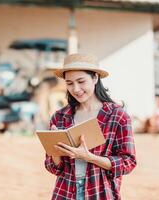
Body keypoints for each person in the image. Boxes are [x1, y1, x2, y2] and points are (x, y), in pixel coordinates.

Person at [44, 53, 137, 200]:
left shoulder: (117, 116)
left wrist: (89, 157)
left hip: (100, 193)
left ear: (95, 78)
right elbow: (54, 167)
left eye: (81, 81)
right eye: (69, 83)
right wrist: (55, 150)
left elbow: (128, 162)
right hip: (65, 192)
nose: (76, 89)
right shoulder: (59, 117)